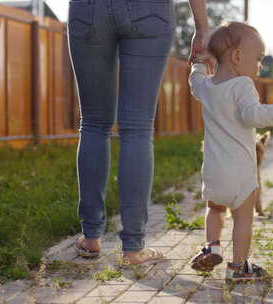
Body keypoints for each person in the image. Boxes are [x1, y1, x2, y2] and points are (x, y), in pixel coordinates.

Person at [68, 0, 212, 265]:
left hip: (89, 10)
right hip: (150, 11)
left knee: (93, 124)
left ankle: (90, 238)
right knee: (137, 127)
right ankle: (133, 248)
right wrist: (202, 26)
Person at [188, 21, 273, 282]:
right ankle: (238, 267)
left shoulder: (207, 88)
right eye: (258, 59)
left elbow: (194, 81)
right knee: (243, 218)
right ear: (236, 57)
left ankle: (212, 246)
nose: (260, 66)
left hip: (213, 171)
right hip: (240, 174)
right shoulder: (243, 85)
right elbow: (254, 115)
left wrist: (199, 62)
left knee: (215, 209)